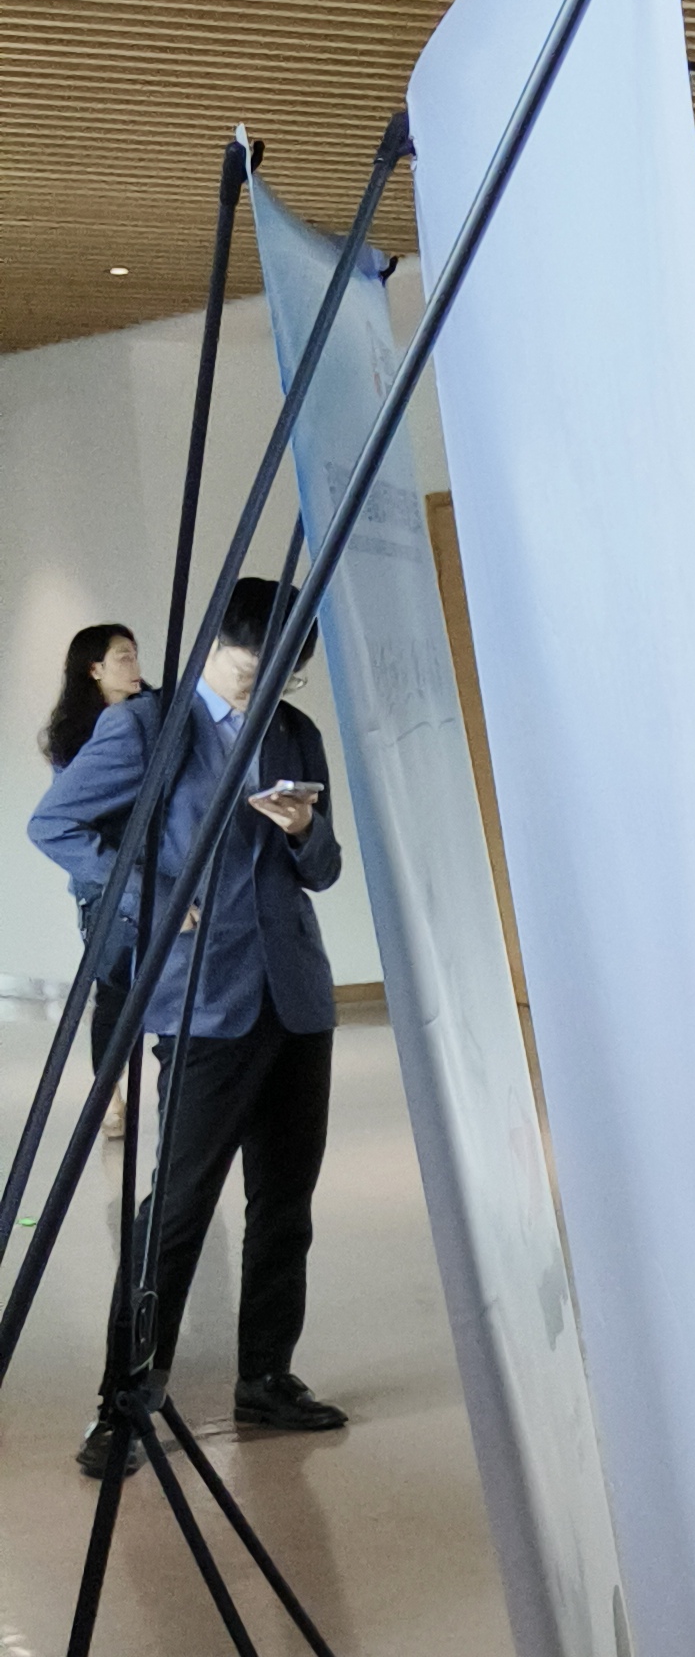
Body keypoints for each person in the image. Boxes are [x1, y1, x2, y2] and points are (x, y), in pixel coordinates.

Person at [33, 575, 347, 1472]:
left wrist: (302, 830)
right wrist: (155, 895)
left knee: (284, 1203)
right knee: (175, 1211)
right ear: (216, 645)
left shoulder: (295, 730)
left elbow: (323, 869)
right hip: (204, 1001)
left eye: (287, 670)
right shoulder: (147, 727)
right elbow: (55, 824)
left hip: (296, 996)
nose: (270, 683)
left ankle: (267, 1376)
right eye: (256, 665)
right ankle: (122, 1401)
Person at [33, 618, 149, 1132]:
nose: (135, 666)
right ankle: (109, 1095)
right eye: (123, 657)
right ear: (94, 669)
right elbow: (63, 820)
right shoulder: (76, 739)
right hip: (106, 885)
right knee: (115, 991)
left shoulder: (151, 718)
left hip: (153, 871)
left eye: (135, 654)